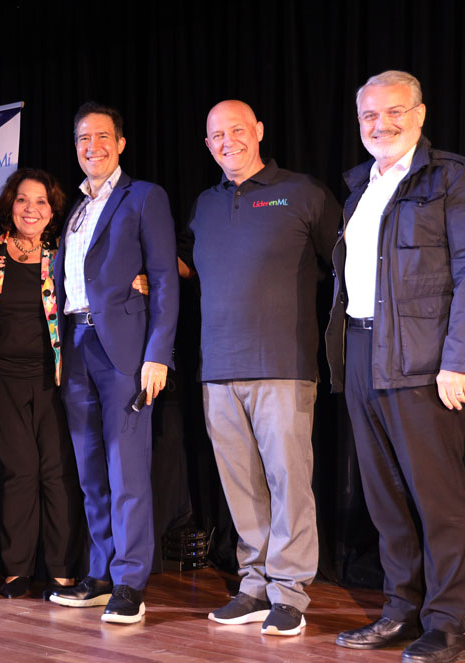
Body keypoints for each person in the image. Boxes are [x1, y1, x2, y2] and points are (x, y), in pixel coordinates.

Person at [326, 71, 465, 663]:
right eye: (369, 115)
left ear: (420, 114)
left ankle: (448, 622)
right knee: (384, 497)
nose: (381, 124)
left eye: (394, 112)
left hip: (425, 361)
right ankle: (401, 608)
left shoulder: (453, 179)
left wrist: (460, 360)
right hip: (361, 353)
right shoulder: (359, 187)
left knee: (436, 498)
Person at [179, 100, 340, 636]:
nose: (228, 141)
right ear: (208, 146)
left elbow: (345, 265)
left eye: (238, 130)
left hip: (283, 365)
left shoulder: (302, 192)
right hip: (217, 368)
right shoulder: (205, 205)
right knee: (241, 486)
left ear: (260, 131)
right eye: (217, 135)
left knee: (288, 482)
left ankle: (289, 592)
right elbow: (182, 266)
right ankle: (253, 585)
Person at [48, 102, 179, 624]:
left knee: (127, 470)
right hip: (76, 345)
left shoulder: (144, 196)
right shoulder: (75, 209)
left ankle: (129, 582)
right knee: (90, 471)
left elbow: (163, 279)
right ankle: (100, 574)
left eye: (102, 136)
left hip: (124, 349)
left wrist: (158, 353)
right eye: (83, 138)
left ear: (120, 143)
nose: (92, 146)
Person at [0, 168, 83, 599]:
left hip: (54, 378)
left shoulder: (61, 254)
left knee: (56, 471)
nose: (31, 209)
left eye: (41, 201)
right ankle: (16, 569)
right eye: (23, 200)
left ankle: (61, 569)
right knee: (19, 469)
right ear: (10, 204)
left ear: (52, 209)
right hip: (1, 377)